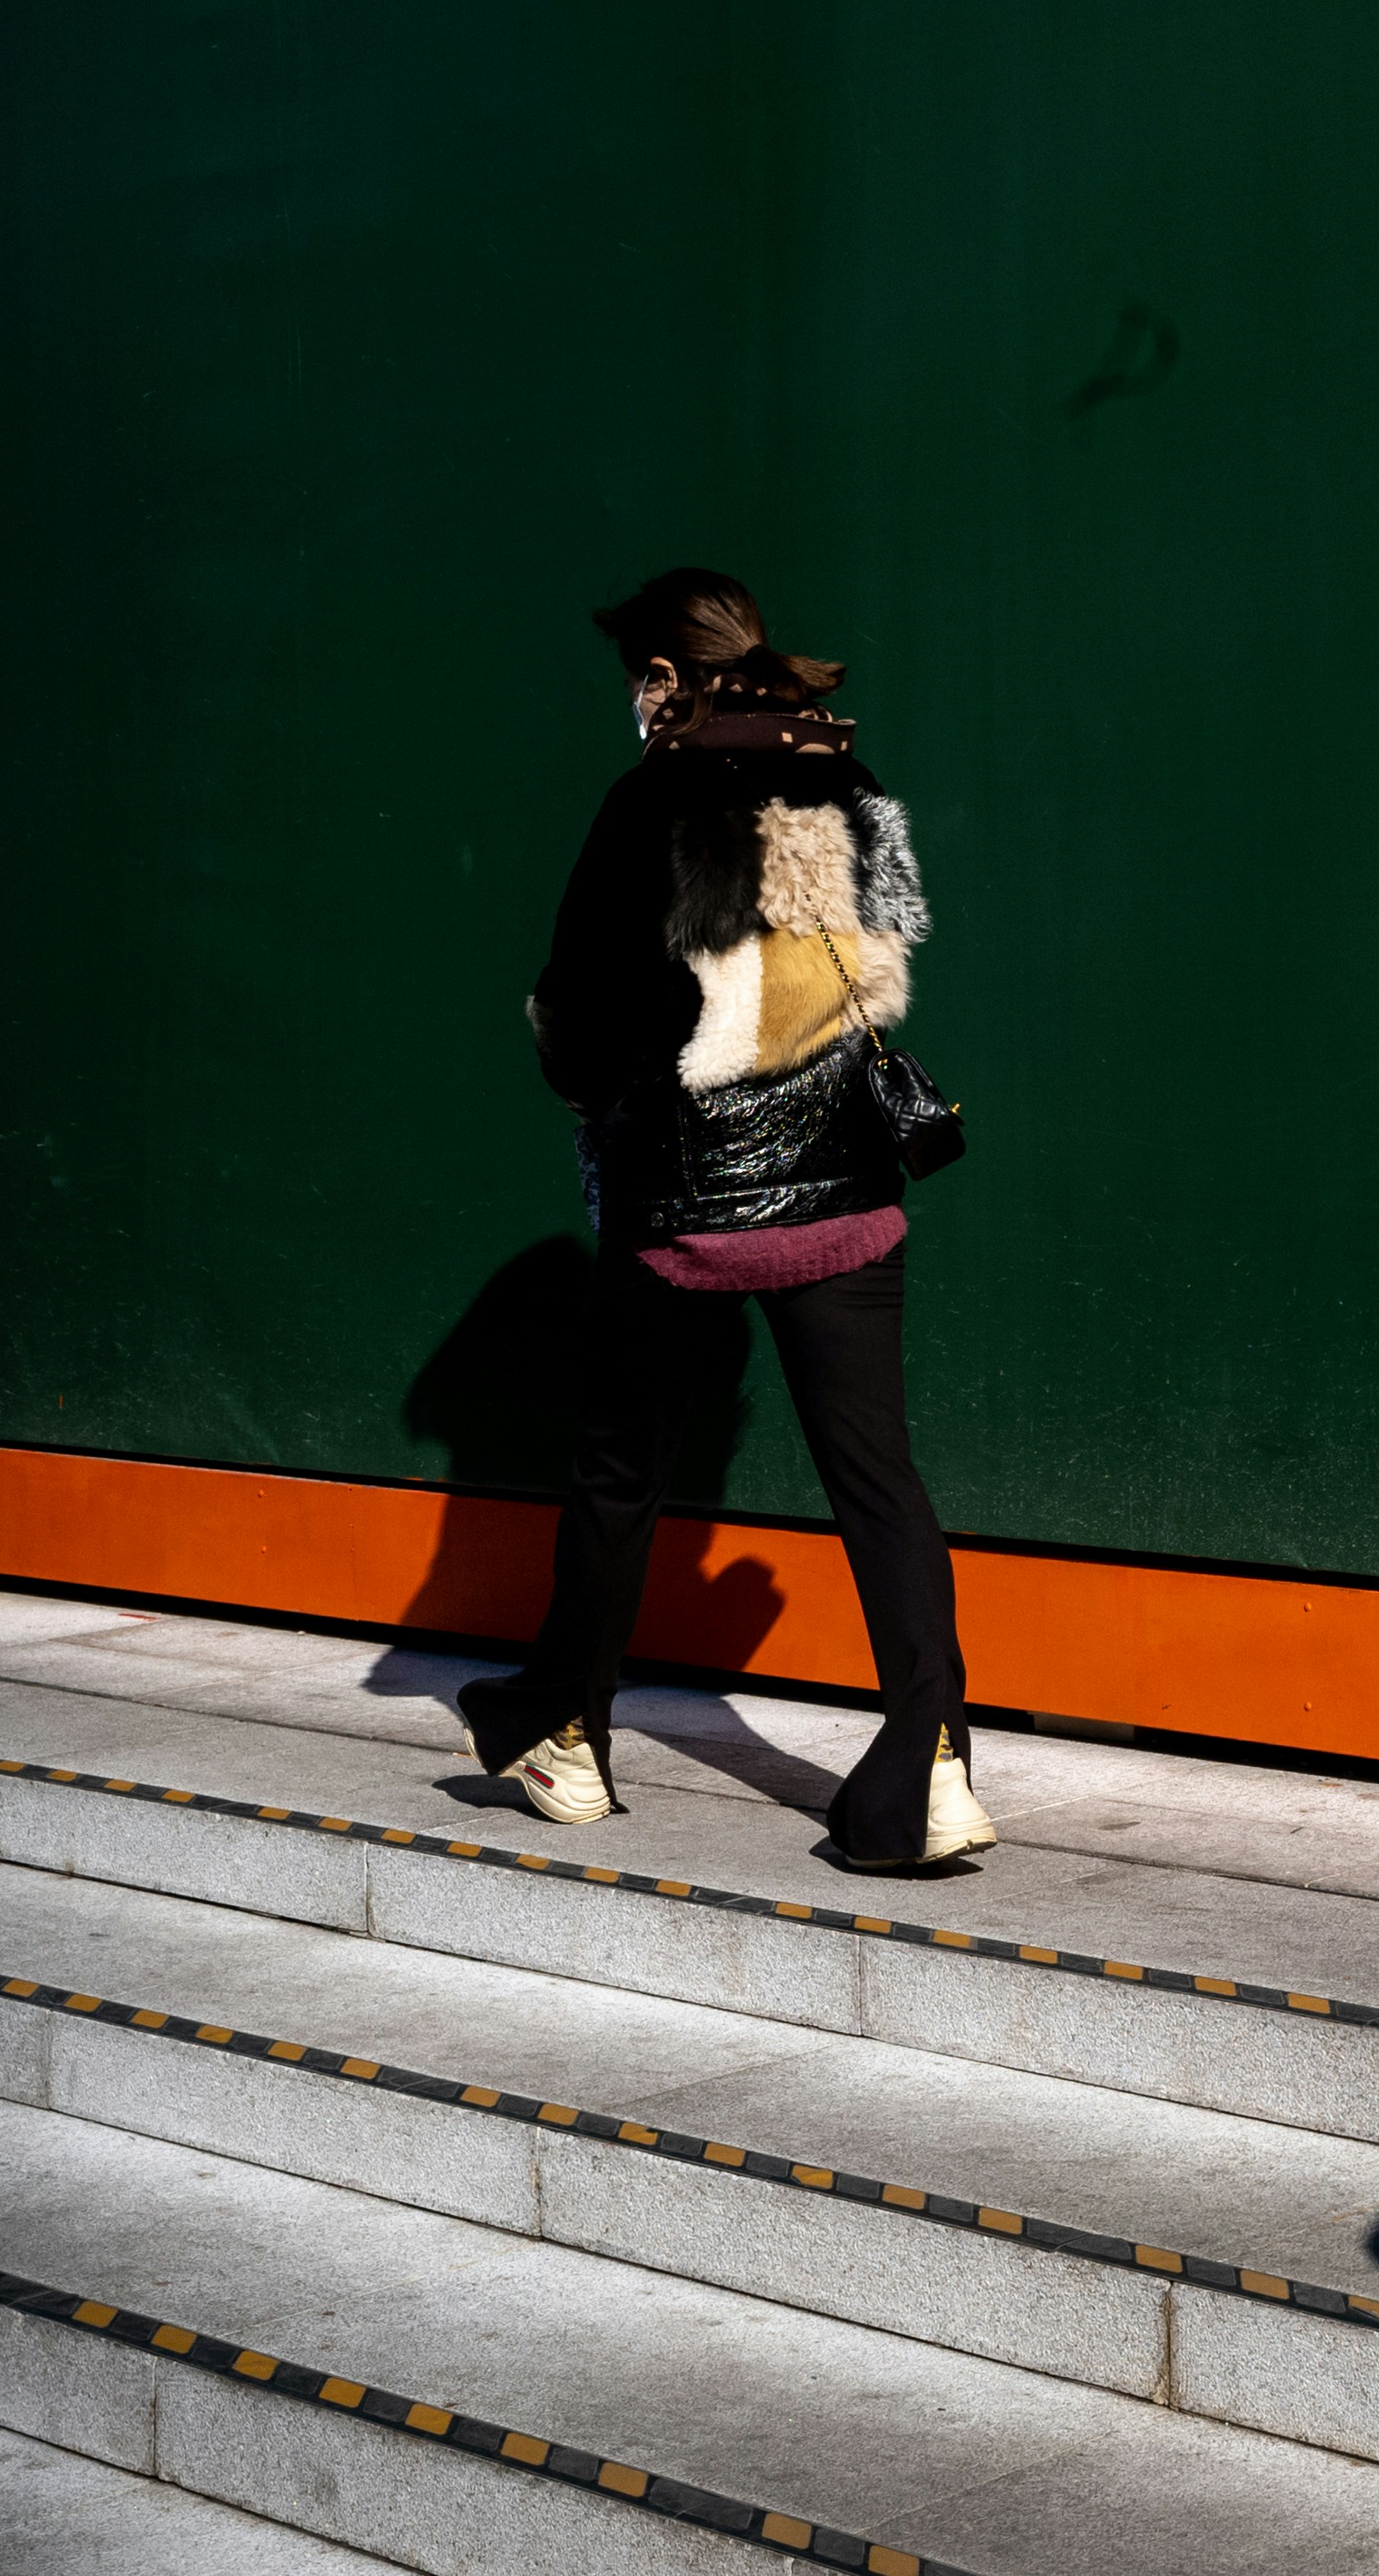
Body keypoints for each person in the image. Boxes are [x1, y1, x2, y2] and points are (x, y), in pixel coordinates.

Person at [454, 566, 997, 1874]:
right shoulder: (851, 784)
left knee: (620, 1477)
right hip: (847, 1202)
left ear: (661, 677)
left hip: (683, 1210)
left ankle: (566, 1736)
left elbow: (579, 1009)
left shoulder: (648, 799)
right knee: (880, 1485)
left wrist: (592, 1086)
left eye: (634, 681)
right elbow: (891, 949)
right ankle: (932, 1758)